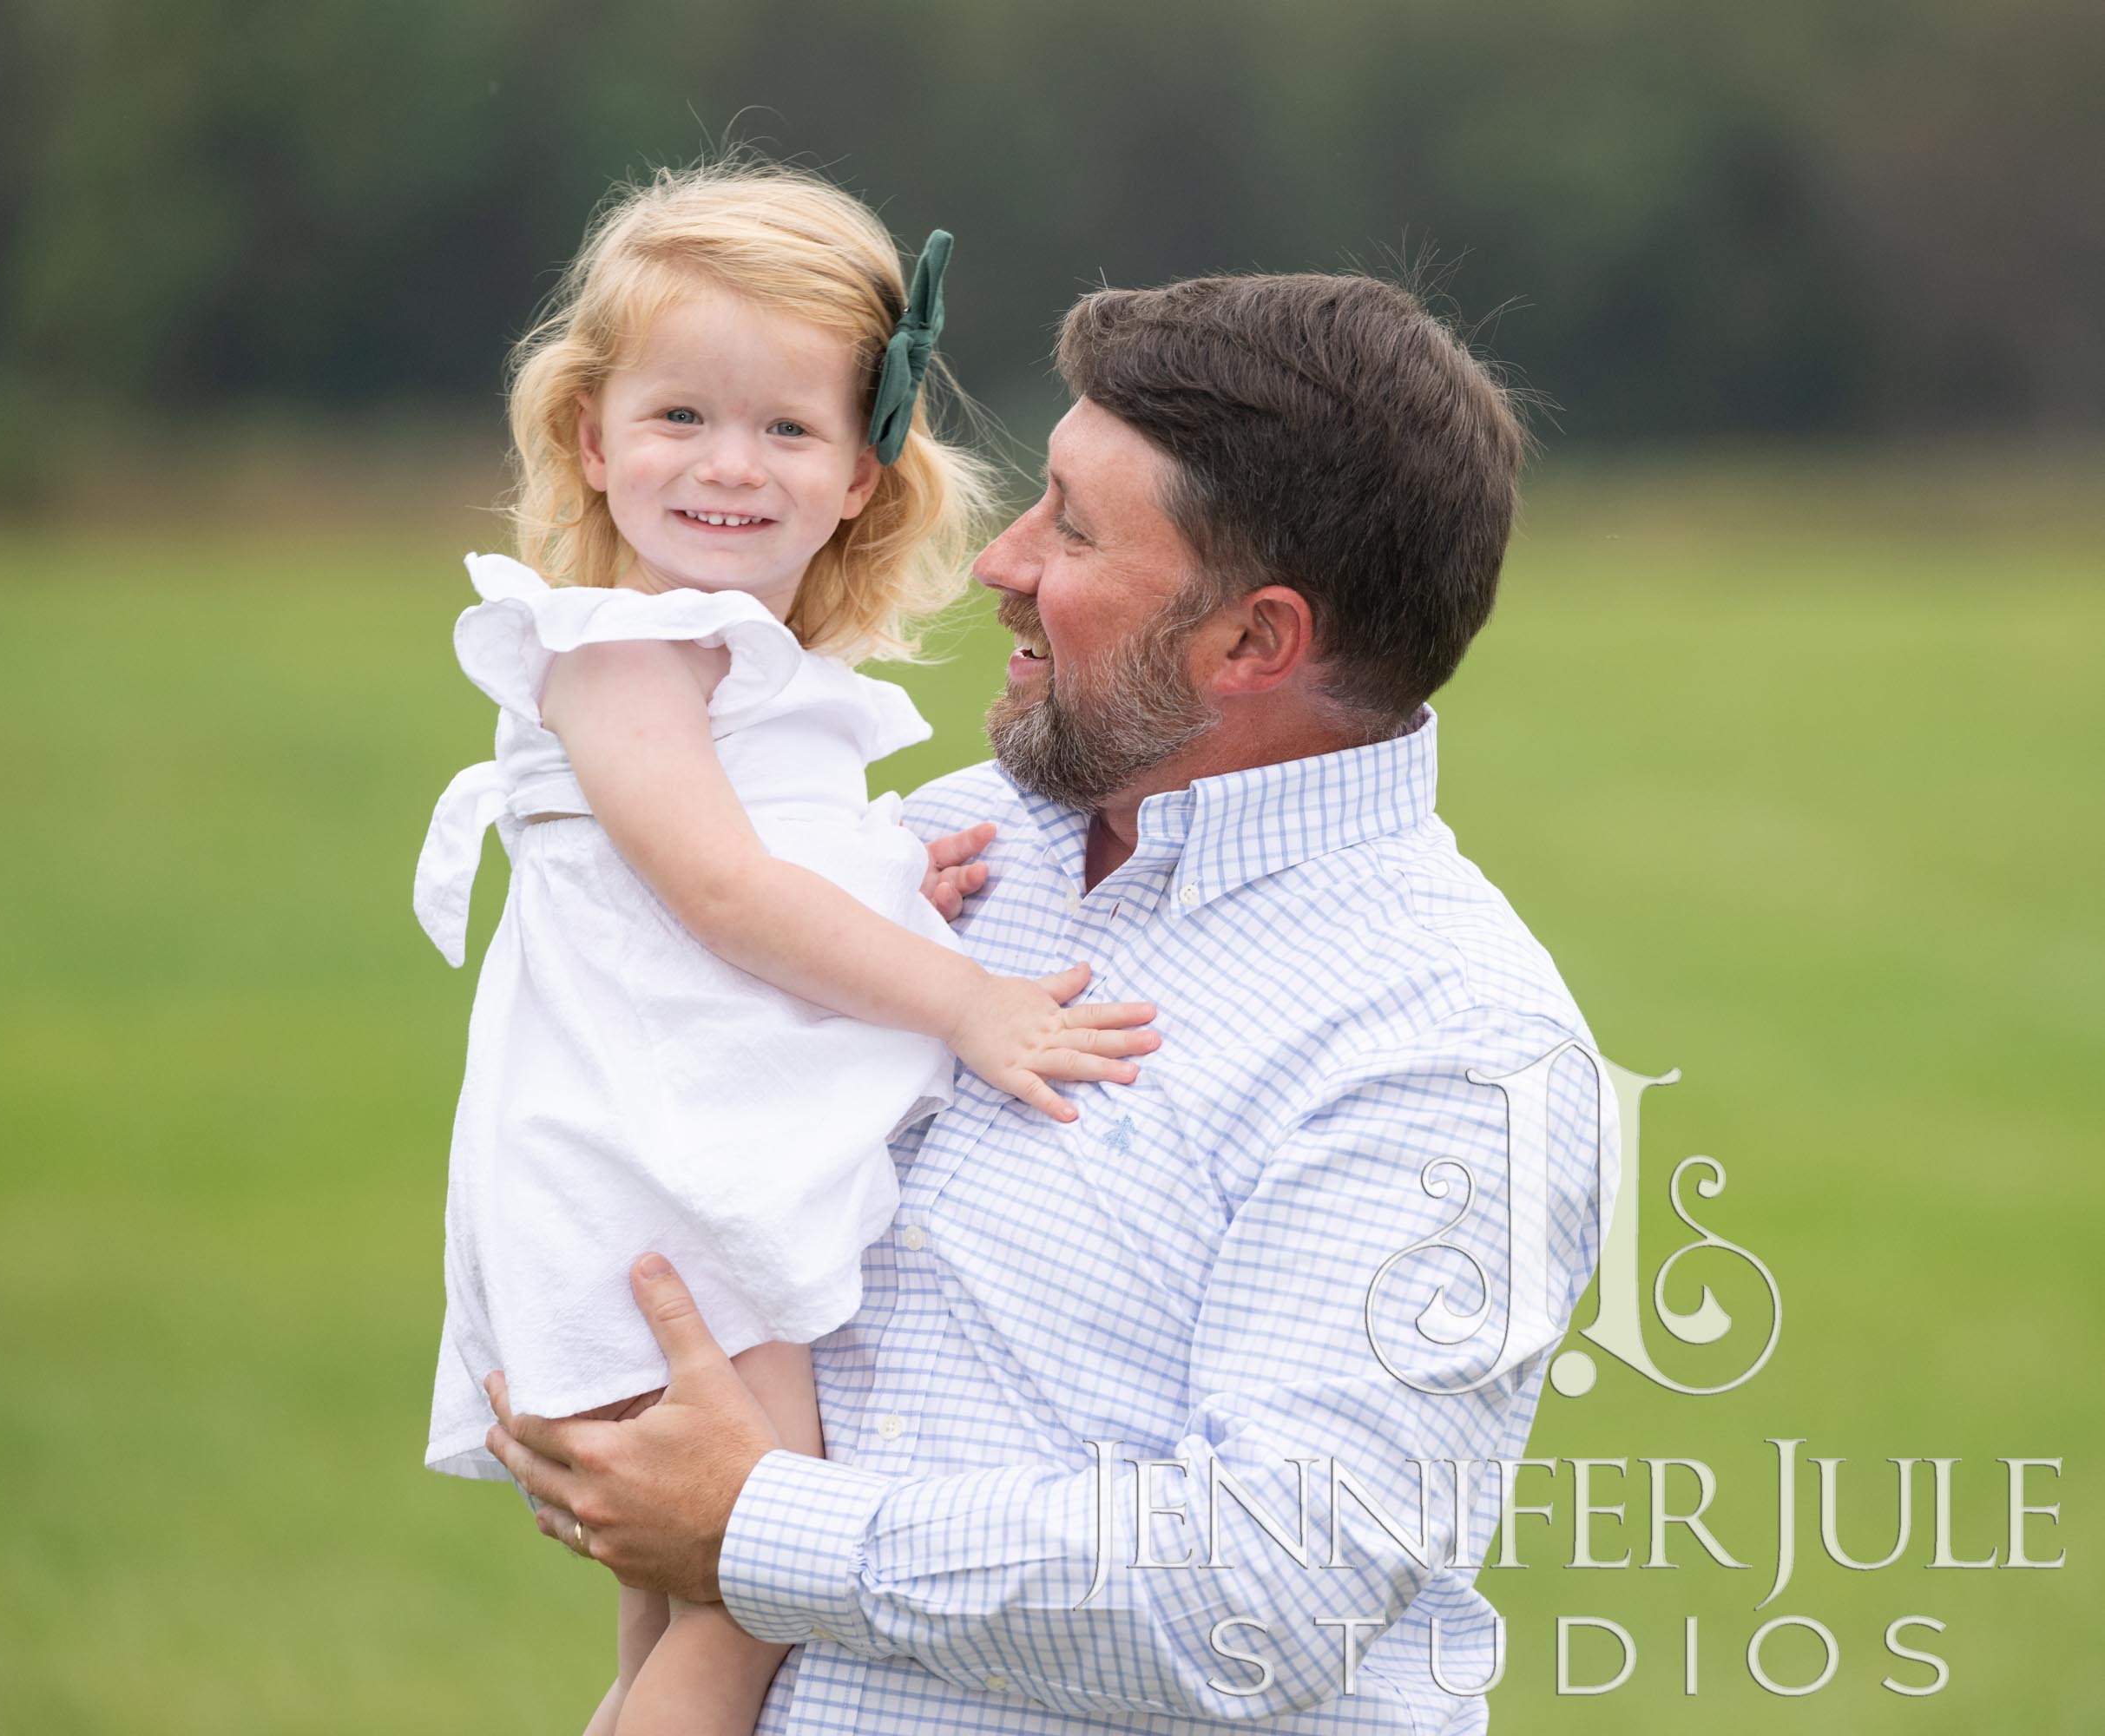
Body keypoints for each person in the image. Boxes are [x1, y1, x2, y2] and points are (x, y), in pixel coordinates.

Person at [483, 271, 1615, 1733]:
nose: (997, 562)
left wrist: (758, 1526)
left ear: (1254, 643)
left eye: (1072, 529)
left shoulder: (1448, 1044)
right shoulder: (940, 848)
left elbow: (1269, 1591)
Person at [410, 161, 1161, 1736]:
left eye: (787, 429)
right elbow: (724, 894)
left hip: (681, 1148)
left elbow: (752, 869)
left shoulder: (731, 658)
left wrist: (883, 879)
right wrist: (967, 1000)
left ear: (863, 474)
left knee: (684, 1608)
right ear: (589, 439)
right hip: (642, 1173)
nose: (728, 465)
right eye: (679, 415)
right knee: (751, 1582)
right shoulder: (618, 652)